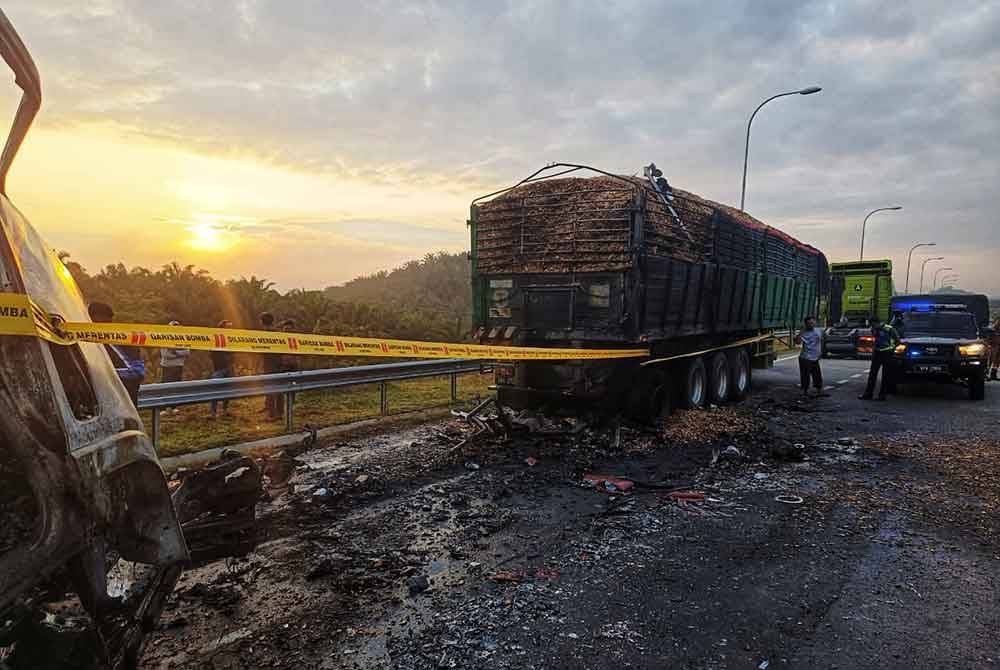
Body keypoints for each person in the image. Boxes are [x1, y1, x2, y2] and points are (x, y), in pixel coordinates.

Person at [88, 301, 145, 407]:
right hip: (106, 401)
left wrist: (106, 374)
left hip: (125, 398)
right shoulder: (90, 340)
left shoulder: (122, 338)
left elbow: (138, 371)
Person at [859, 315, 900, 401]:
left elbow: (897, 340)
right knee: (872, 374)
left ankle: (882, 395)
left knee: (885, 375)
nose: (872, 326)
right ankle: (868, 394)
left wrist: (892, 349)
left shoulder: (889, 329)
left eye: (872, 324)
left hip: (887, 353)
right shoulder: (874, 329)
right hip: (877, 352)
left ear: (876, 322)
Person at [159, 321, 190, 414]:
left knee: (176, 387)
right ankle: (162, 408)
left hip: (179, 366)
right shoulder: (164, 338)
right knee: (165, 387)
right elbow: (165, 354)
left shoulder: (183, 338)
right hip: (167, 366)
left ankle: (174, 407)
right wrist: (180, 353)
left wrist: (175, 352)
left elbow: (187, 352)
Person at [794, 315, 825, 397]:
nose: (811, 325)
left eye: (812, 323)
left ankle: (819, 390)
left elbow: (822, 340)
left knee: (817, 375)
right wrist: (800, 333)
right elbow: (797, 342)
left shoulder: (818, 331)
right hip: (805, 357)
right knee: (805, 376)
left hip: (815, 357)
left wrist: (821, 352)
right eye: (809, 323)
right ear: (806, 324)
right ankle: (805, 391)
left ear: (815, 322)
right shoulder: (803, 332)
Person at [260, 312, 283, 419]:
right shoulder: (278, 333)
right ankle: (280, 411)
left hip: (269, 364)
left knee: (269, 388)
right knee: (279, 388)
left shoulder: (263, 334)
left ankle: (272, 414)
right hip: (278, 362)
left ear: (262, 322)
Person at [209, 319, 234, 417]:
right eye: (228, 327)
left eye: (231, 327)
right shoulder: (215, 339)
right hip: (219, 368)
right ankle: (213, 412)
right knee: (215, 389)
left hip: (229, 367)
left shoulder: (231, 339)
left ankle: (225, 410)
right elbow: (211, 354)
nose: (230, 329)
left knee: (228, 390)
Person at [989, 317, 1000, 382]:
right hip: (994, 345)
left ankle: (993, 374)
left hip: (997, 344)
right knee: (991, 359)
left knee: (997, 361)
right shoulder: (994, 328)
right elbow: (991, 335)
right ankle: (987, 374)